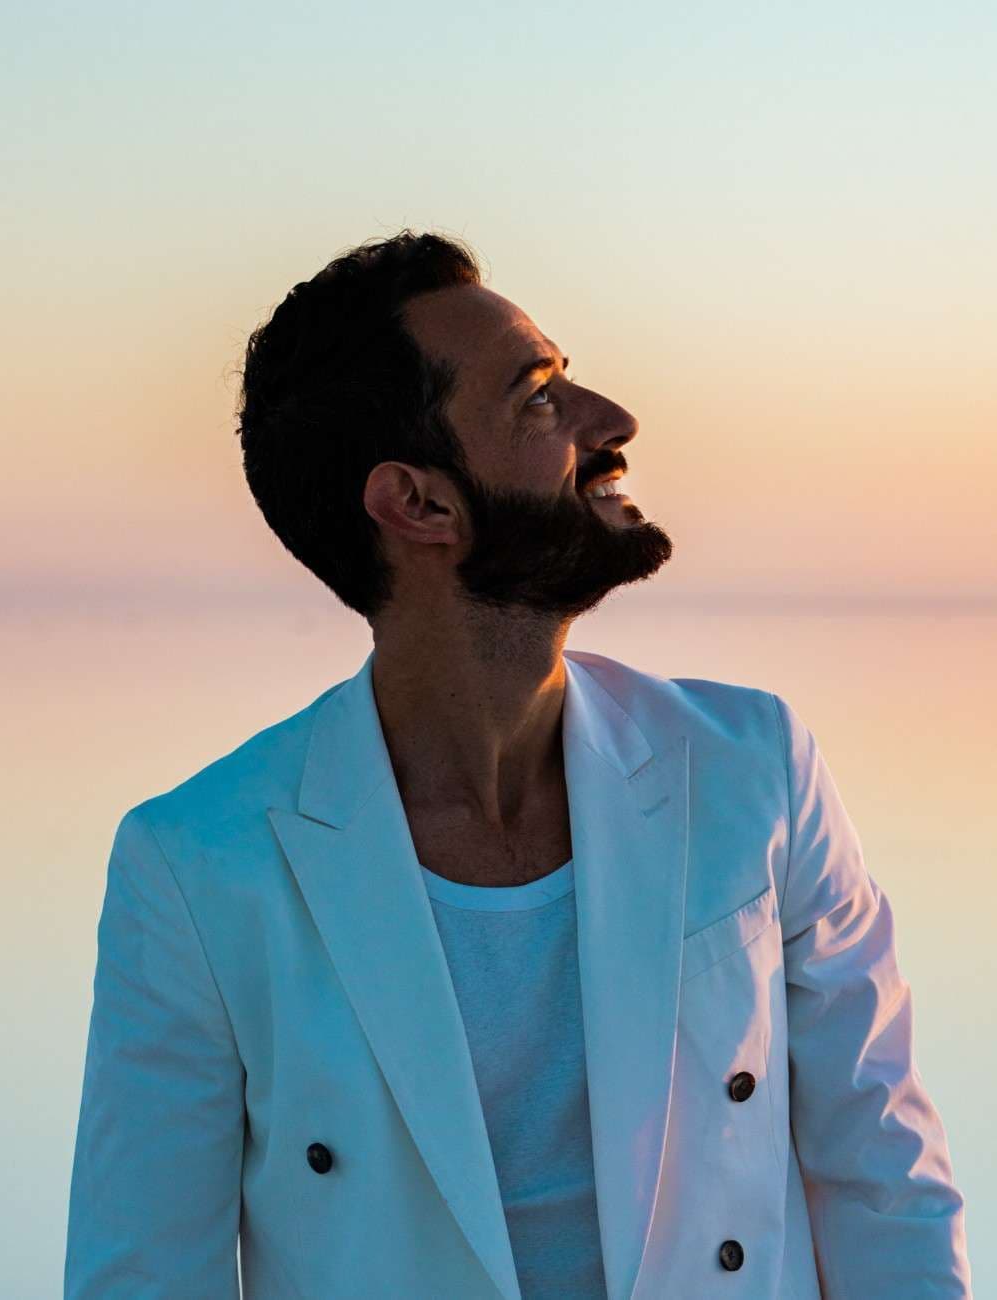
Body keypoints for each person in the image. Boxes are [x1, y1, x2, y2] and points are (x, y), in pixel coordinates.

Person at [64, 229, 972, 1298]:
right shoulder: (199, 868)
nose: (611, 422)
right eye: (538, 399)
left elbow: (885, 1188)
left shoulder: (753, 774)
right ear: (419, 504)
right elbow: (142, 1274)